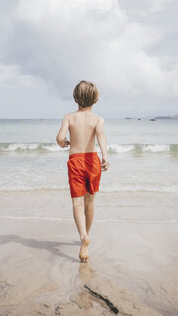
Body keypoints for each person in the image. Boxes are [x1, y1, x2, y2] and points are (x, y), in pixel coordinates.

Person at [56, 80, 110, 263]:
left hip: (76, 161)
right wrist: (105, 156)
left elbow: (60, 138)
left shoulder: (69, 117)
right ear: (95, 100)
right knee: (90, 202)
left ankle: (83, 236)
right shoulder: (98, 120)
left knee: (77, 203)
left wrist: (63, 143)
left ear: (75, 99)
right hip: (93, 161)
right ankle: (87, 236)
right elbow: (101, 136)